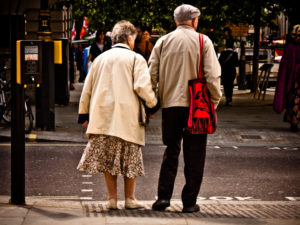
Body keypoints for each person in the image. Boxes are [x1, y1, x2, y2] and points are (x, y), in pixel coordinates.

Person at [148, 4, 222, 213]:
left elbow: (151, 75)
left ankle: (163, 197)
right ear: (195, 21)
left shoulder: (162, 41)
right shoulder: (203, 41)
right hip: (196, 107)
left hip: (170, 105)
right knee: (195, 155)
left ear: (176, 21)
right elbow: (213, 76)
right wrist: (213, 103)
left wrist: (154, 101)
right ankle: (189, 202)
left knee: (171, 150)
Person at [77, 20, 158, 209]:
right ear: (130, 39)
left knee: (108, 159)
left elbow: (87, 88)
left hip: (103, 117)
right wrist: (152, 105)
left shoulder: (100, 59)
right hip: (127, 118)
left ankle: (112, 199)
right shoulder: (136, 59)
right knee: (130, 159)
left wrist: (83, 114)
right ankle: (130, 199)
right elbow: (142, 87)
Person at [274, 24, 300, 132]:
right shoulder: (290, 47)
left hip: (293, 80)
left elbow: (285, 66)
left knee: (293, 100)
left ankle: (293, 121)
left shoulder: (290, 47)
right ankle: (294, 119)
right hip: (296, 79)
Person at [219, 39, 239, 106]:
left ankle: (227, 98)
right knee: (231, 85)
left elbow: (220, 62)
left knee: (225, 85)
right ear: (233, 46)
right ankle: (230, 99)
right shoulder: (235, 54)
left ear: (226, 45)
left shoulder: (223, 53)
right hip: (232, 71)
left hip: (224, 71)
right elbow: (237, 64)